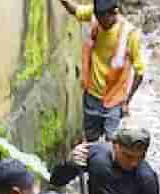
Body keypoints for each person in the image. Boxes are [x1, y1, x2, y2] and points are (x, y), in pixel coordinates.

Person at [58, 0, 146, 141]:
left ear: (114, 13)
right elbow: (75, 10)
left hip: (114, 100)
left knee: (112, 143)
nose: (99, 22)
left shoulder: (130, 34)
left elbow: (140, 72)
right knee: (91, 140)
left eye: (103, 19)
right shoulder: (95, 15)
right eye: (97, 17)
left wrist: (126, 101)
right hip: (92, 95)